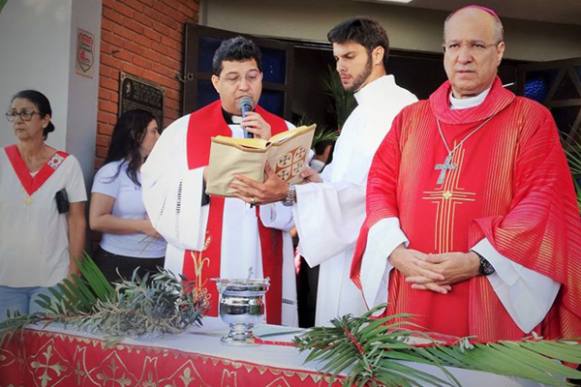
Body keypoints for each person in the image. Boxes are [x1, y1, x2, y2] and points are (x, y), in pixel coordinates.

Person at [350, 5, 581, 341]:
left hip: (491, 290)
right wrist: (396, 253)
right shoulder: (411, 120)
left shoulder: (528, 120)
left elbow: (541, 203)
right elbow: (379, 188)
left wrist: (479, 261)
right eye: (455, 46)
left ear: (499, 51)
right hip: (413, 284)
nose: (464, 57)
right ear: (444, 51)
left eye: (477, 45)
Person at [230, 18, 417, 326]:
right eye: (337, 58)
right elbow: (344, 182)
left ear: (378, 54)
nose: (340, 66)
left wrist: (291, 194)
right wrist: (311, 176)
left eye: (349, 56)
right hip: (342, 249)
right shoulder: (362, 111)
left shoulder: (400, 108)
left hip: (371, 256)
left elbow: (372, 195)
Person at [141, 36, 298, 326]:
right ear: (216, 82)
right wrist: (200, 179)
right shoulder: (182, 130)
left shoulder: (284, 131)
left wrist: (272, 150)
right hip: (202, 255)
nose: (244, 86)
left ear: (261, 77)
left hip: (263, 256)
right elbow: (154, 188)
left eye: (252, 77)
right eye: (233, 78)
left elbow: (299, 202)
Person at [0, 90, 87, 321]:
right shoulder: (3, 160)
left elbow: (77, 220)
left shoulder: (67, 165)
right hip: (5, 279)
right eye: (13, 114)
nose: (18, 120)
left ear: (45, 119)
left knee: (45, 354)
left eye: (26, 114)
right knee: (8, 353)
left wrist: (74, 273)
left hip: (52, 279)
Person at [89, 109, 166, 283]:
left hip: (161, 261)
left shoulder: (159, 173)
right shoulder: (112, 172)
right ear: (136, 135)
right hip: (120, 262)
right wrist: (143, 226)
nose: (159, 136)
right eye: (153, 131)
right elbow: (97, 220)